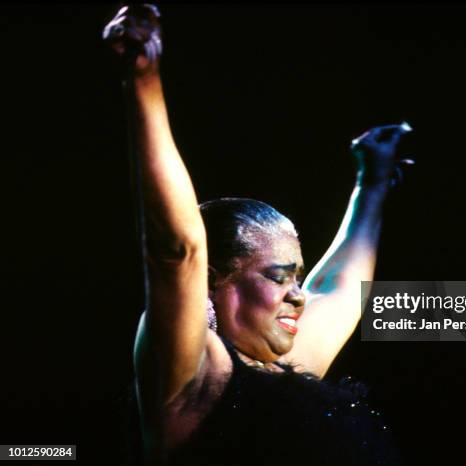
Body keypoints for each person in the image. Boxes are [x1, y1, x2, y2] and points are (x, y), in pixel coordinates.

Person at [103, 4, 412, 465]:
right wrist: (143, 80)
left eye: (297, 279)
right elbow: (176, 251)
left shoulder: (287, 372)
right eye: (278, 277)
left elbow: (341, 289)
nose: (299, 296)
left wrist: (372, 181)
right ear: (210, 282)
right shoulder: (193, 379)